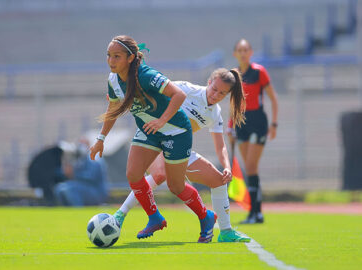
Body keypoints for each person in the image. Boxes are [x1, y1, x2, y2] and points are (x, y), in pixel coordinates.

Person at [89, 35, 216, 243]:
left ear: (130, 58)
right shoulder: (113, 80)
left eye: (117, 56)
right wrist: (101, 138)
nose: (111, 61)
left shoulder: (146, 75)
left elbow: (179, 95)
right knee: (133, 174)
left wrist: (161, 121)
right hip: (149, 130)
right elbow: (112, 108)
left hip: (175, 130)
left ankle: (206, 216)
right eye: (109, 56)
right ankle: (154, 217)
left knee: (176, 187)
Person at [113, 68, 251, 243]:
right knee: (159, 174)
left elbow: (221, 146)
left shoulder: (215, 114)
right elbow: (157, 93)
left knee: (218, 180)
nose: (216, 95)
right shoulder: (186, 89)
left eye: (222, 93)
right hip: (158, 141)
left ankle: (225, 231)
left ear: (228, 95)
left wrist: (227, 167)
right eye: (214, 89)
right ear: (209, 82)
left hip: (180, 149)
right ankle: (121, 214)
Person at [227, 39, 279, 224]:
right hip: (241, 123)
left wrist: (274, 124)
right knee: (250, 170)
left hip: (257, 121)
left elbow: (273, 99)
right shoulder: (234, 75)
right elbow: (234, 103)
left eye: (246, 50)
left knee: (250, 167)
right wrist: (229, 126)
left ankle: (256, 213)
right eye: (239, 50)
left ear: (251, 52)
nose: (242, 53)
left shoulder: (259, 72)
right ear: (235, 53)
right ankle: (254, 213)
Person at [54, 139, 108, 206]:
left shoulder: (95, 158)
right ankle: (67, 211)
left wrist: (73, 174)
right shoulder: (80, 159)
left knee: (71, 189)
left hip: (96, 192)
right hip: (84, 189)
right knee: (60, 188)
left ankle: (78, 210)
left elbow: (90, 176)